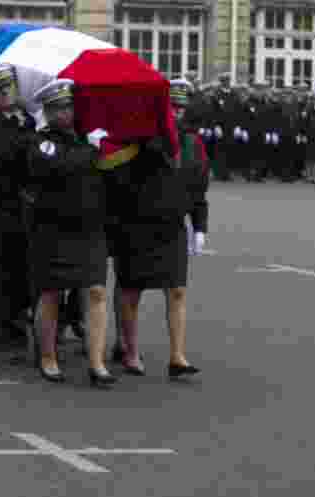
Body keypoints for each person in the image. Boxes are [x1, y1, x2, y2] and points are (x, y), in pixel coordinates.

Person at [25, 79, 116, 388]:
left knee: (96, 291)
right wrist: (92, 149)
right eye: (57, 108)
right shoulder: (41, 141)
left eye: (68, 107)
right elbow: (59, 167)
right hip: (52, 226)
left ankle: (97, 362)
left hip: (90, 226)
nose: (64, 113)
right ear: (47, 112)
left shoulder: (87, 137)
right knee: (51, 293)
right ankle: (48, 356)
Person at [112, 79, 205, 382]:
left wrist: (200, 226)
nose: (176, 113)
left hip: (172, 227)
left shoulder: (192, 143)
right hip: (137, 224)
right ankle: (131, 351)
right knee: (131, 291)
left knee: (177, 290)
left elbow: (197, 187)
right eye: (171, 107)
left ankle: (177, 356)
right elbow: (119, 180)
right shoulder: (139, 139)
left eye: (180, 108)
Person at [0, 62, 36, 356]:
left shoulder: (33, 121)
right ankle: (2, 331)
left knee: (25, 271)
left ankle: (24, 324)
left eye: (7, 87)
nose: (4, 94)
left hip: (26, 209)